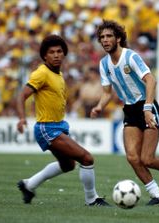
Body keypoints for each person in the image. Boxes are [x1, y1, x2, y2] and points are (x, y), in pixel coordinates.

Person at [91, 20, 159, 206]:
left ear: (118, 38)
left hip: (147, 106)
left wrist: (147, 108)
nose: (105, 40)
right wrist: (99, 106)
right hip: (129, 110)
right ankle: (157, 196)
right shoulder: (104, 64)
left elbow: (151, 80)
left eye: (109, 36)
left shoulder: (131, 57)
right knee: (132, 158)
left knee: (147, 158)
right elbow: (106, 92)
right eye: (102, 37)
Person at [16, 34, 109, 206]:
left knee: (68, 165)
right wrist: (22, 118)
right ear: (44, 56)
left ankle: (29, 185)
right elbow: (22, 95)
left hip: (58, 126)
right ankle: (92, 199)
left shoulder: (58, 75)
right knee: (87, 159)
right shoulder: (41, 73)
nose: (56, 55)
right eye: (52, 52)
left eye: (59, 51)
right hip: (47, 128)